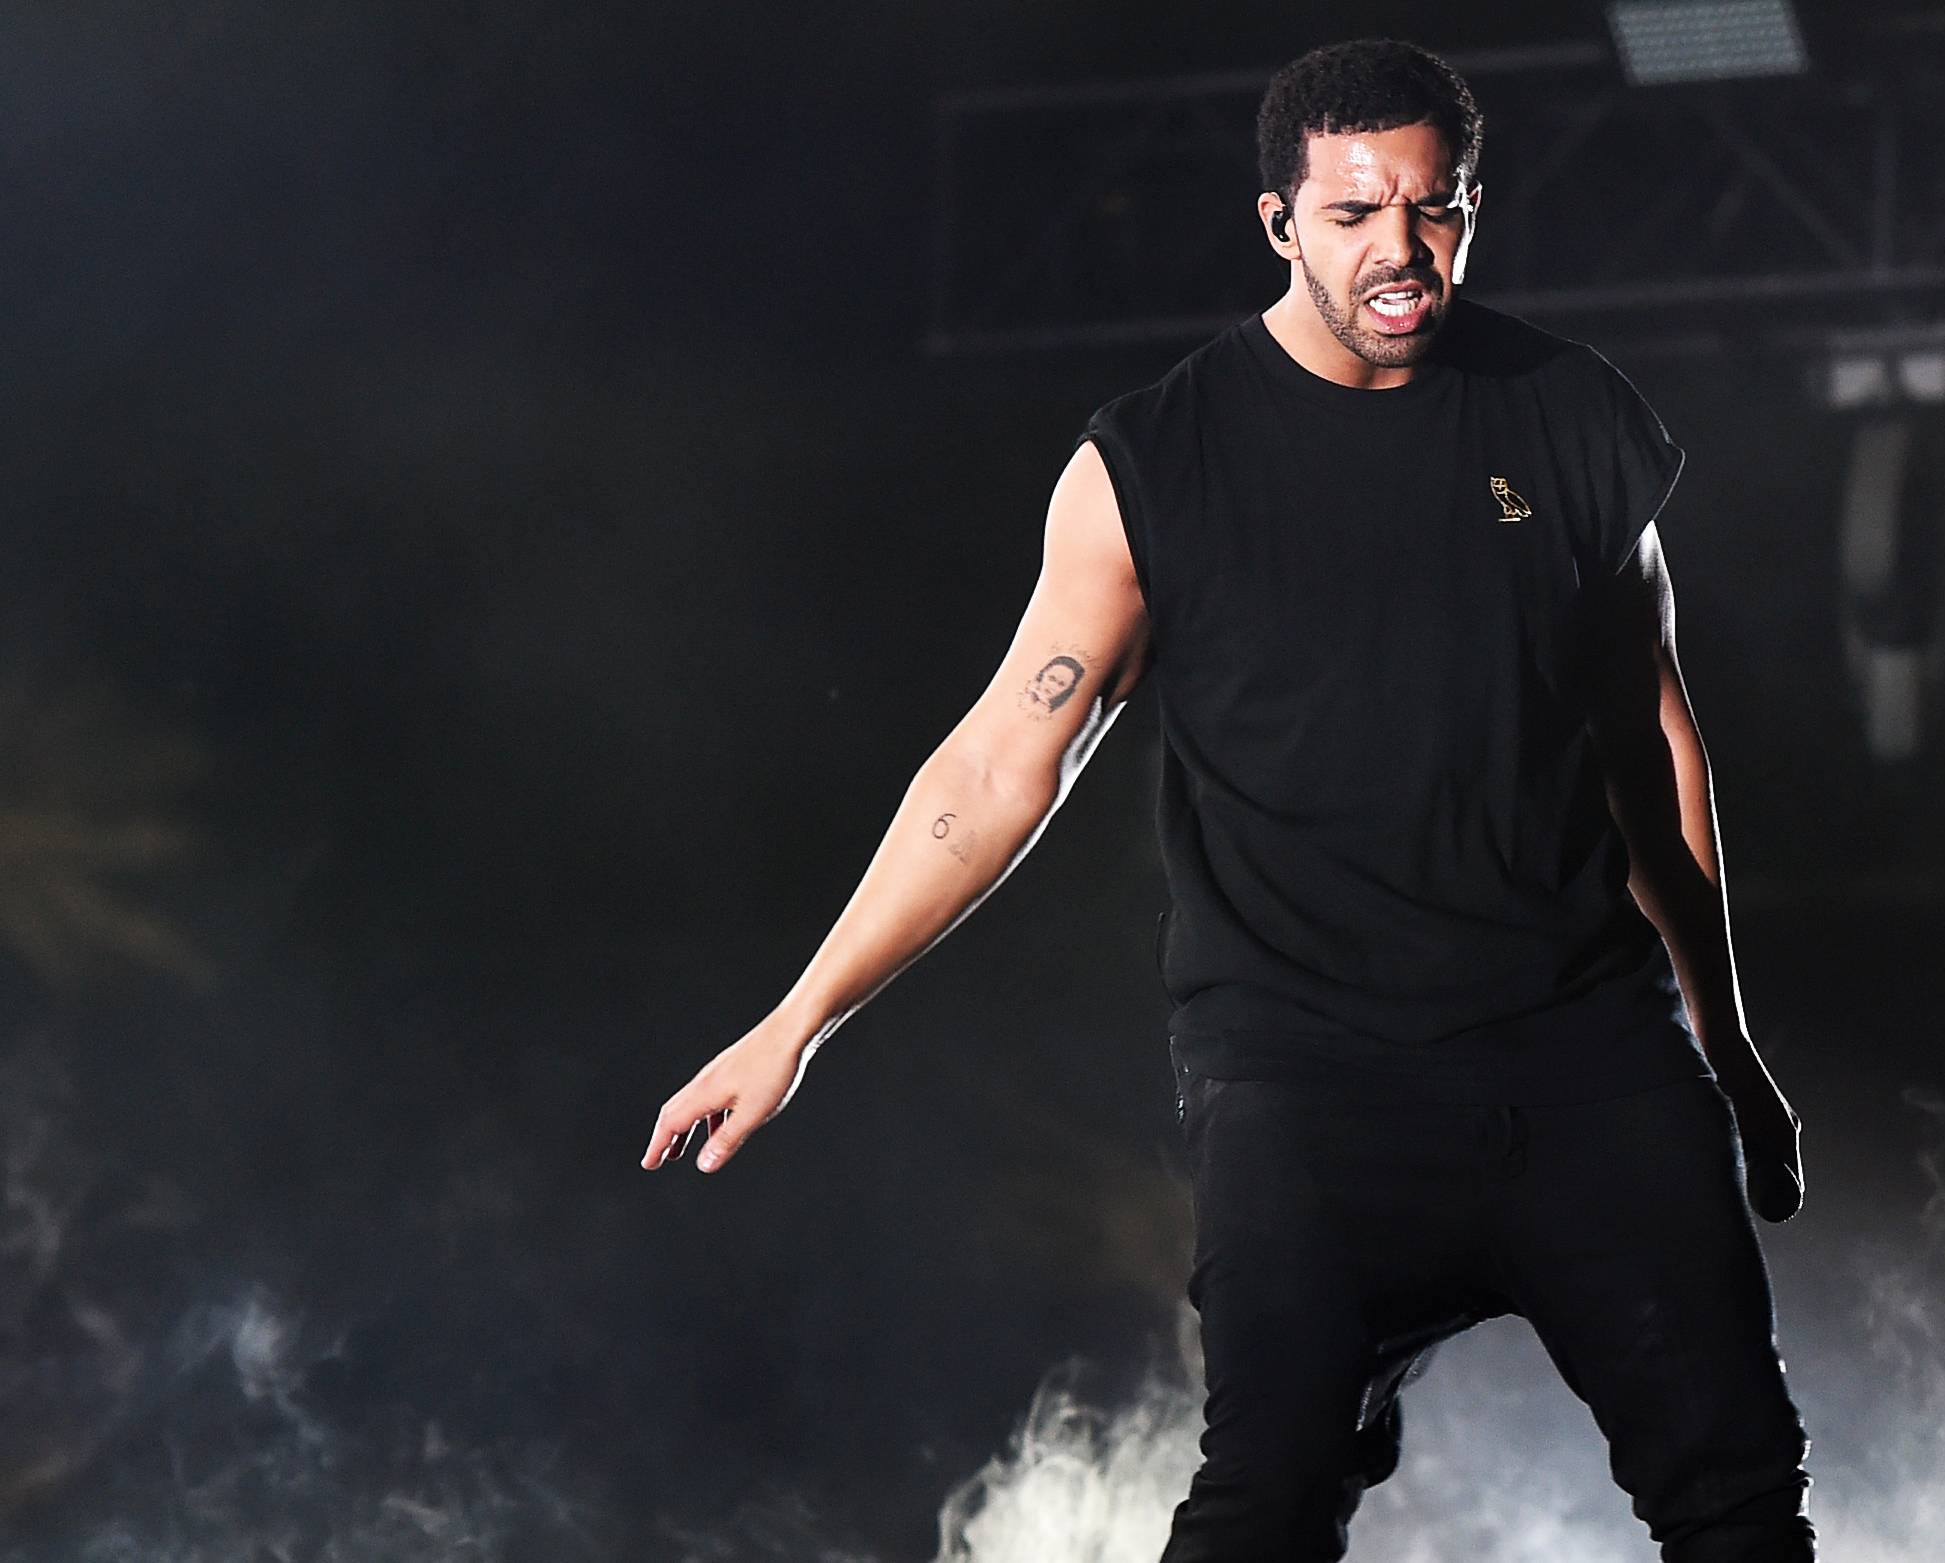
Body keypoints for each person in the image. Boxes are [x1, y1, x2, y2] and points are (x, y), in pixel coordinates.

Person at [642, 37, 1816, 1561]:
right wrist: (795, 1020)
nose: (1400, 249)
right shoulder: (1152, 466)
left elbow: (1654, 745)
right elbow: (1005, 763)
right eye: (1354, 213)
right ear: (1280, 222)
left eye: (1436, 208)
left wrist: (1724, 1042)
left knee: (1738, 1505)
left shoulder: (1569, 416)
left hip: (1584, 1057)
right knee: (1262, 1504)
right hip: (1309, 1083)